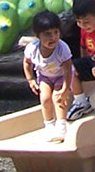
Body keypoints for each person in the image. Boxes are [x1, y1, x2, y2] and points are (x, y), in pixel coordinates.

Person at [23, 10, 73, 142]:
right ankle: (49, 125)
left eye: (56, 32)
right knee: (45, 99)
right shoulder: (32, 49)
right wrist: (30, 79)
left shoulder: (62, 49)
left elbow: (68, 70)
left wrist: (65, 89)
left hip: (61, 76)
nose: (53, 37)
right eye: (47, 34)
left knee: (58, 98)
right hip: (45, 77)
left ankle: (62, 125)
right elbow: (27, 63)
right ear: (37, 35)